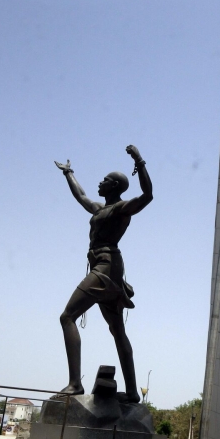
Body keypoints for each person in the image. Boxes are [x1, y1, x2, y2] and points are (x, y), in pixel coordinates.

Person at [53, 145, 152, 403]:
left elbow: (147, 195)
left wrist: (139, 161)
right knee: (118, 330)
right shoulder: (99, 209)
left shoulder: (121, 209)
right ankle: (132, 392)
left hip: (106, 266)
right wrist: (68, 172)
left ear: (115, 186)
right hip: (104, 265)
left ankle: (75, 384)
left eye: (105, 180)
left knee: (67, 317)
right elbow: (81, 196)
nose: (100, 182)